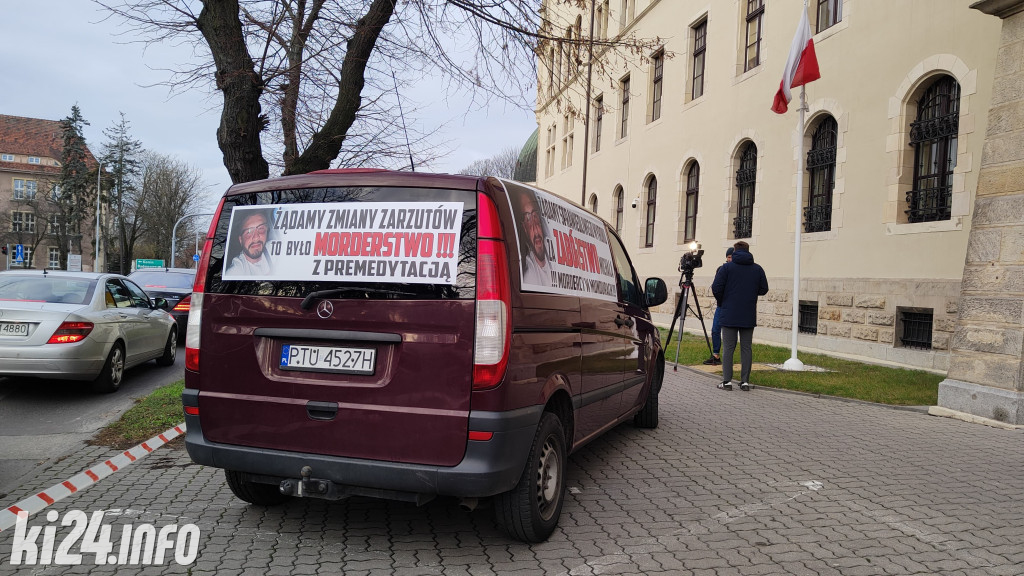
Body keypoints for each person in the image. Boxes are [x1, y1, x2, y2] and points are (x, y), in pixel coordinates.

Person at [710, 241, 768, 391]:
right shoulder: (757, 269)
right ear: (748, 251)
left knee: (729, 347)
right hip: (748, 313)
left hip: (729, 312)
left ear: (734, 251)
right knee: (746, 347)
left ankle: (727, 381)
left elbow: (716, 288)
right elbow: (764, 289)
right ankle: (745, 382)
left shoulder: (726, 268)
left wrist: (723, 300)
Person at [515, 189, 553, 287]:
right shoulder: (529, 276)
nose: (535, 228)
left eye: (535, 216)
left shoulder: (553, 247)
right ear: (524, 227)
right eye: (528, 219)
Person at [703, 247, 734, 366]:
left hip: (732, 306)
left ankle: (728, 356)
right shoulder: (721, 269)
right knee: (716, 329)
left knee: (730, 333)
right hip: (722, 304)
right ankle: (716, 354)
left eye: (731, 257)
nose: (729, 259)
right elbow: (717, 286)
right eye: (728, 257)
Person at [226, 210, 273, 276]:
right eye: (249, 232)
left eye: (261, 229)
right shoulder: (236, 271)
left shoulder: (275, 249)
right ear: (240, 240)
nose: (256, 237)